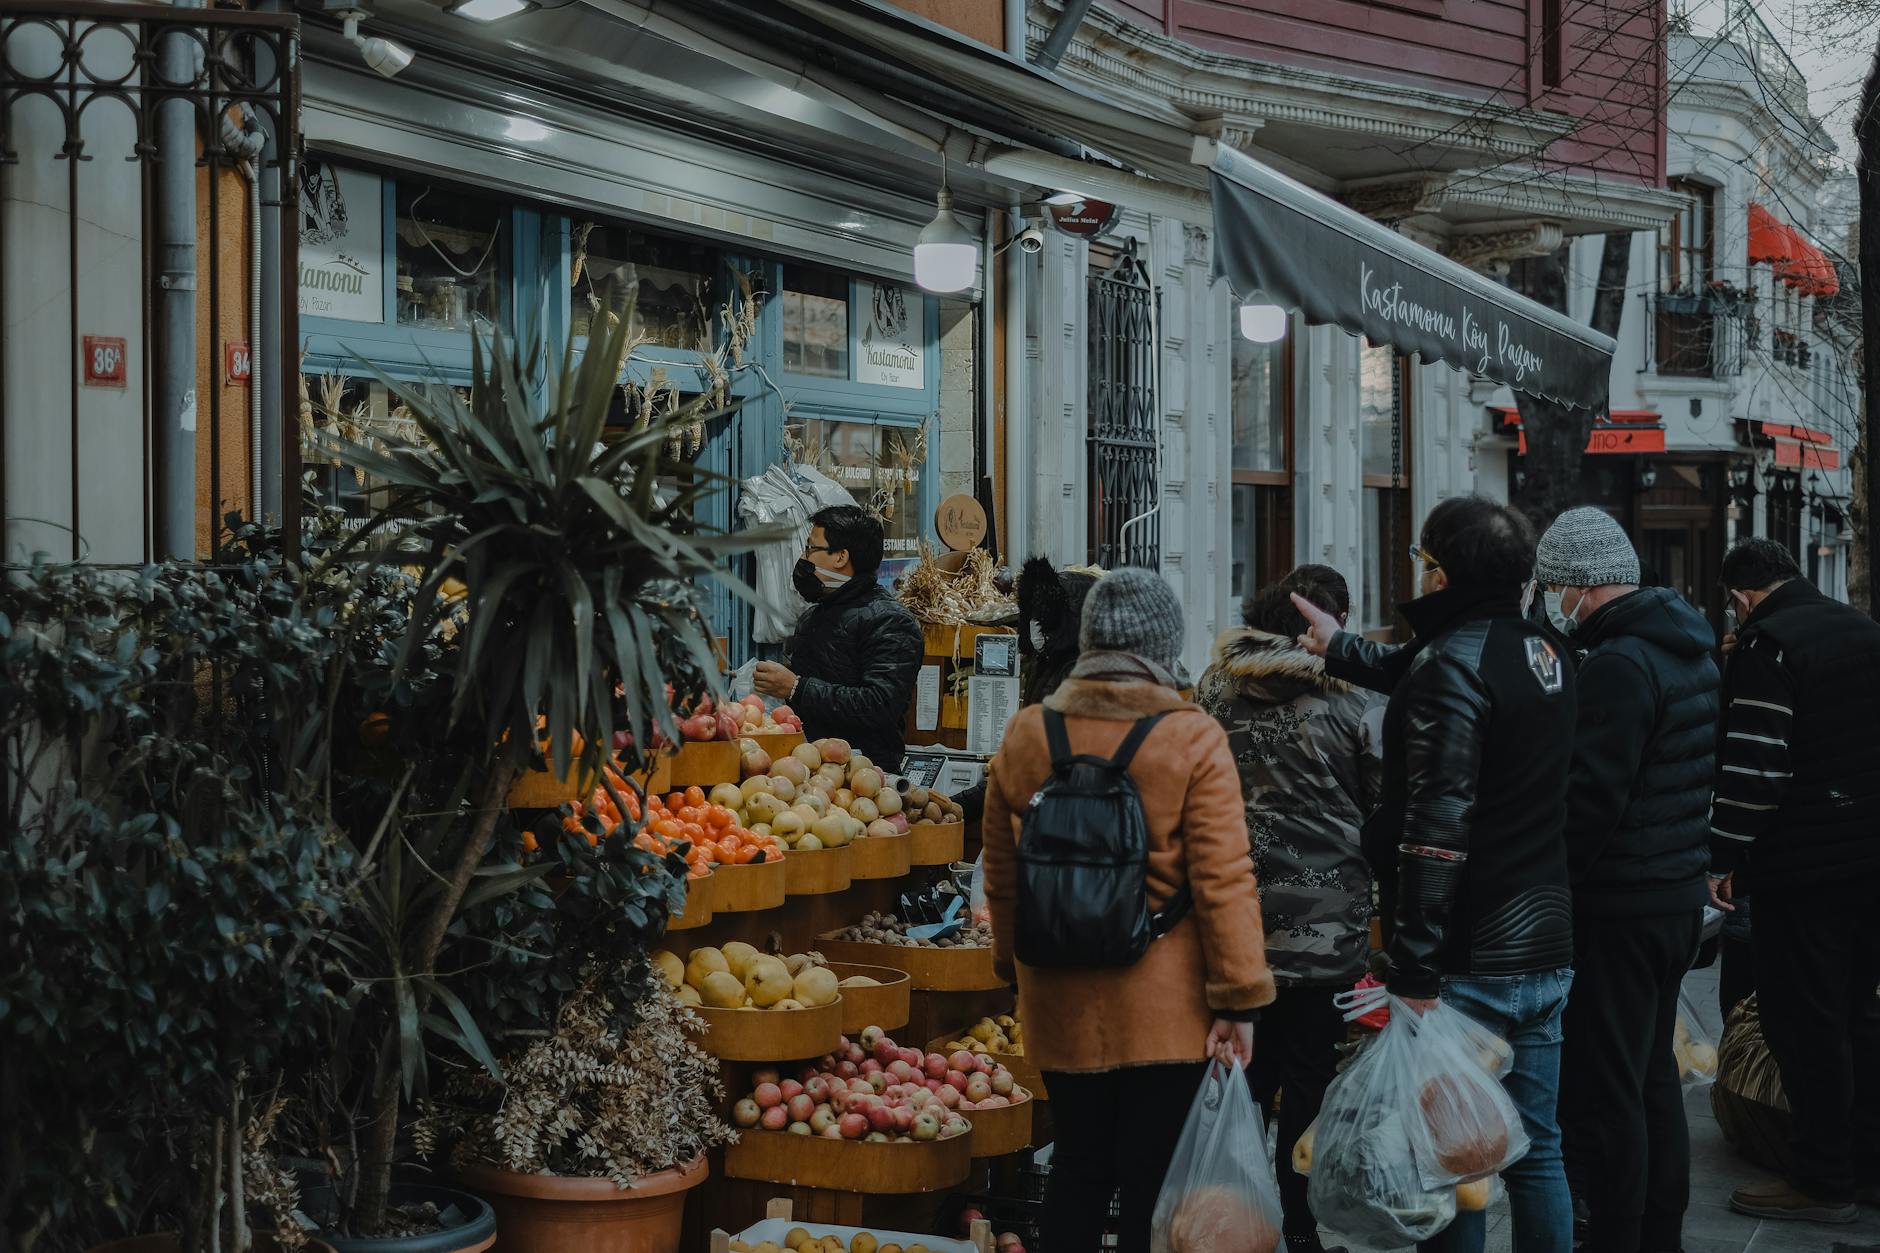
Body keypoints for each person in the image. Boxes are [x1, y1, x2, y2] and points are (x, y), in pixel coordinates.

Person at [1293, 496, 1577, 1253]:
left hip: (1469, 956)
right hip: (1545, 939)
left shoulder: (1451, 663)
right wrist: (1340, 646)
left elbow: (1436, 832)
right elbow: (1423, 668)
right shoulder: (1544, 650)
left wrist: (1415, 965)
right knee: (1536, 1146)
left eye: (1424, 560)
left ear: (1443, 573)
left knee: (1452, 1158)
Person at [982, 567, 1275, 1253]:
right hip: (1166, 1008)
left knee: (1078, 1166)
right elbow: (1224, 878)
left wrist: (1010, 967)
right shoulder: (1192, 736)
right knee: (1155, 1181)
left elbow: (1002, 874)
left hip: (1058, 996)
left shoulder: (1029, 733)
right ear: (1164, 645)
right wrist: (1239, 999)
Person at [1532, 508, 1718, 1253]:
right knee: (1650, 1078)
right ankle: (1658, 1233)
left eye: (1552, 586)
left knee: (1609, 1092)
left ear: (1579, 584)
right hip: (1673, 897)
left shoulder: (1618, 664)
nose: (1551, 602)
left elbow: (1591, 801)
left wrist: (1552, 886)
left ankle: (1617, 1235)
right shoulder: (1687, 646)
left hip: (1621, 905)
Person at [1197, 564, 1381, 1253]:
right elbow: (1383, 803)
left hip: (1232, 914)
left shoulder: (1214, 690)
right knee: (1309, 1074)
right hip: (1324, 922)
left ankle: (1236, 1217)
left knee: (1242, 1071)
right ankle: (1299, 1227)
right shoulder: (1353, 699)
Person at [1707, 538, 1880, 1224]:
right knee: (1860, 1013)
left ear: (1741, 597)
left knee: (1806, 1022)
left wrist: (1723, 853)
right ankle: (1865, 1166)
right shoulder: (1861, 628)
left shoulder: (1768, 646)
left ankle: (1821, 1177)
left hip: (1804, 871)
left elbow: (1756, 765)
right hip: (1868, 859)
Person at [752, 505, 923, 771]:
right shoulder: (813, 617)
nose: (803, 558)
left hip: (862, 774)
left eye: (810, 548)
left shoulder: (891, 621)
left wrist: (796, 687)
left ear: (841, 557)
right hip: (809, 767)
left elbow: (879, 704)